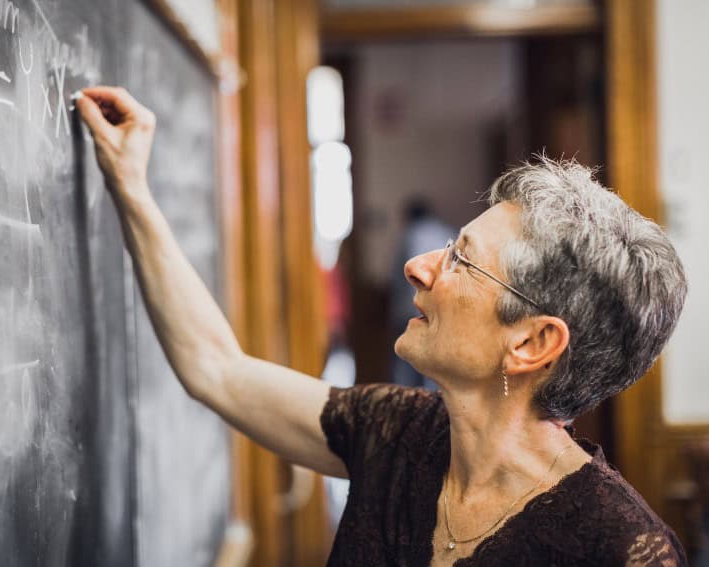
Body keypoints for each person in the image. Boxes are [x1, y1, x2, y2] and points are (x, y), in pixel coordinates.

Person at [75, 86, 688, 566]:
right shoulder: (395, 433)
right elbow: (217, 370)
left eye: (461, 260)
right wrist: (131, 187)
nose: (417, 267)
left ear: (532, 342)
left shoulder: (619, 547)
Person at [390, 198, 455, 389]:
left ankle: (405, 405)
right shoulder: (447, 232)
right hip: (443, 309)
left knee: (405, 365)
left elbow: (399, 276)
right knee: (436, 363)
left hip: (409, 309)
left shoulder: (410, 234)